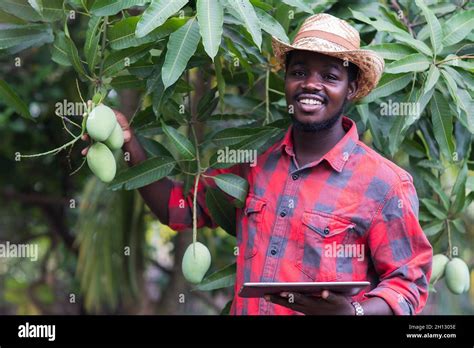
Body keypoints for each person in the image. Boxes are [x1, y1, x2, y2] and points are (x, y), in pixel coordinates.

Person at [82, 13, 432, 315]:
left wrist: (352, 312)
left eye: (329, 76)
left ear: (352, 88)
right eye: (299, 71)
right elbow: (178, 208)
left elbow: (409, 286)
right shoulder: (255, 162)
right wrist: (128, 142)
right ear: (287, 81)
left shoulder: (384, 184)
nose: (311, 84)